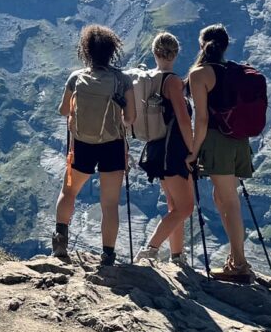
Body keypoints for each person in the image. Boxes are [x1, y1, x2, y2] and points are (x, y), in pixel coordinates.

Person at [52, 24, 136, 267]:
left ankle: (60, 244)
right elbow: (130, 119)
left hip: (82, 144)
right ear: (112, 51)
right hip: (112, 146)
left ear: (86, 50)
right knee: (109, 204)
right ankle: (108, 256)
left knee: (68, 192)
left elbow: (63, 110)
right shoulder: (122, 80)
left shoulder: (76, 78)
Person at [188, 23, 254, 279]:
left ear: (202, 45)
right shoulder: (236, 71)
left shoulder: (199, 74)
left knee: (229, 201)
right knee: (222, 198)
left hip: (217, 143)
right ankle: (236, 259)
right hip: (239, 141)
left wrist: (193, 152)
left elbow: (202, 120)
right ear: (225, 46)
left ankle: (239, 266)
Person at [134, 31, 199, 264]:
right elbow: (183, 118)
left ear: (154, 52)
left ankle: (177, 255)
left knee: (174, 204)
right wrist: (193, 151)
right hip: (174, 150)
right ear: (176, 53)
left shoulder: (149, 77)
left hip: (156, 147)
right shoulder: (172, 81)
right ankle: (150, 249)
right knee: (186, 207)